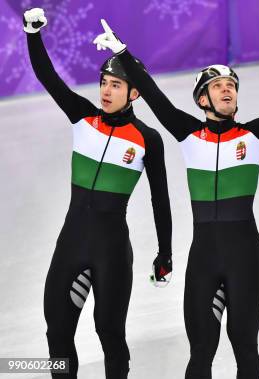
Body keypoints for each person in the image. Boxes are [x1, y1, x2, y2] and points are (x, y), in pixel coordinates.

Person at [93, 18, 259, 379]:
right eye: (218, 86)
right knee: (201, 349)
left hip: (246, 256)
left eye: (231, 86)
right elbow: (155, 98)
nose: (227, 90)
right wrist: (123, 54)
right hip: (204, 257)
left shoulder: (255, 135)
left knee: (244, 345)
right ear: (202, 98)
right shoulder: (189, 135)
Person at [23, 8, 173, 378]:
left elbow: (161, 200)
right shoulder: (83, 117)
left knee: (109, 335)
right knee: (57, 332)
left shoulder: (147, 140)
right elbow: (48, 77)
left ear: (134, 91)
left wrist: (164, 253)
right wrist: (32, 34)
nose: (106, 90)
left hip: (111, 249)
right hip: (71, 243)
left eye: (116, 84)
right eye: (104, 82)